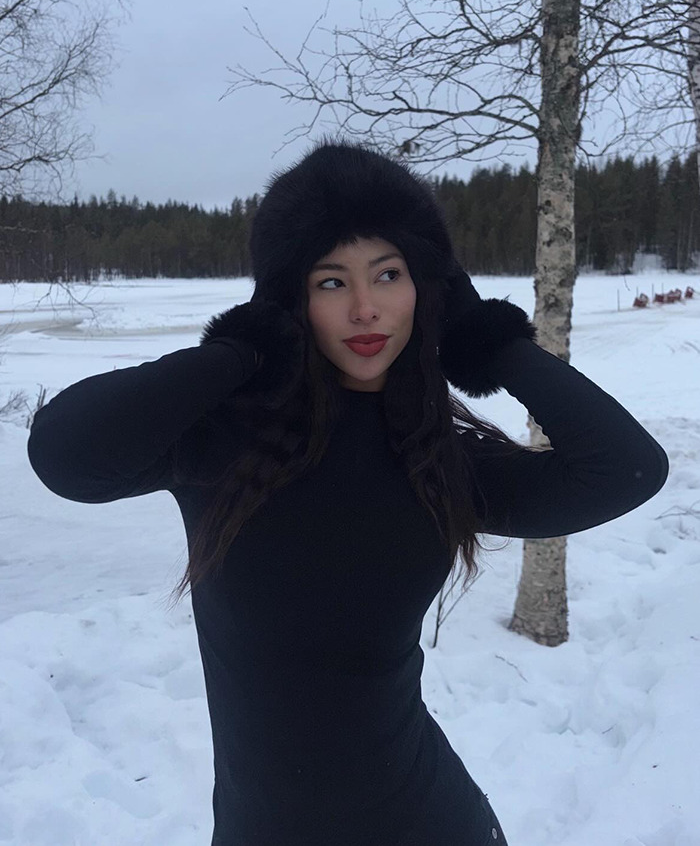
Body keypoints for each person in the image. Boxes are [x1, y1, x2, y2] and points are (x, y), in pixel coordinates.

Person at [27, 137, 669, 846]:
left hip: (429, 822)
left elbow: (626, 469)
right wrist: (238, 353)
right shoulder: (227, 442)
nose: (367, 307)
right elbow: (63, 453)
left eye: (389, 274)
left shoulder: (439, 459)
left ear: (426, 289)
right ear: (291, 299)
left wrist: (488, 344)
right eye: (332, 281)